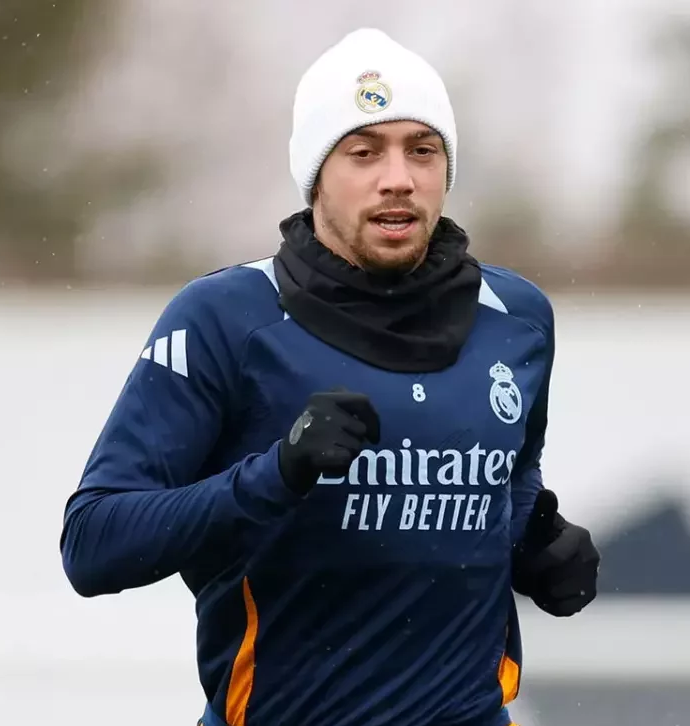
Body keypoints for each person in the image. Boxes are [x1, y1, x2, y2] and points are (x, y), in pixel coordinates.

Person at [59, 27, 600, 726]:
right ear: (317, 173)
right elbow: (94, 544)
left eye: (422, 149)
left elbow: (510, 480)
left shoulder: (517, 317)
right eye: (364, 152)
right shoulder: (225, 318)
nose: (397, 176)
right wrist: (275, 474)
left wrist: (535, 547)